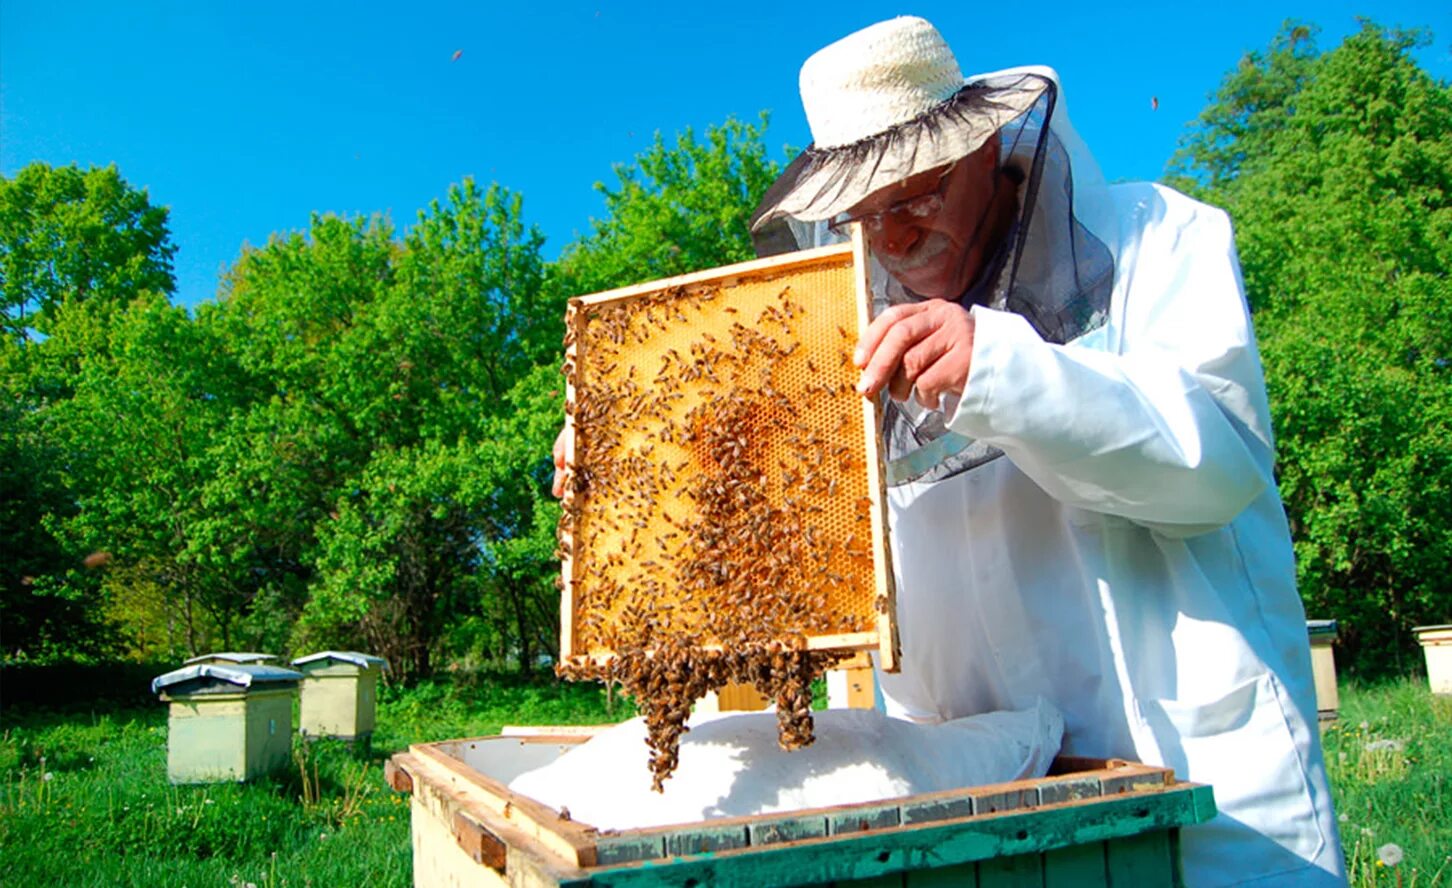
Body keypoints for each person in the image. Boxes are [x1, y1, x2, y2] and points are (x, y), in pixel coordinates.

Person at [552, 15, 1345, 885]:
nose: (890, 237)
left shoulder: (1160, 241)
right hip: (980, 801)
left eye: (913, 197)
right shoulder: (839, 327)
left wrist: (1000, 368)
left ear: (987, 146)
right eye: (864, 211)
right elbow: (751, 484)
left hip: (1199, 792)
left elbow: (1217, 466)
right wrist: (630, 461)